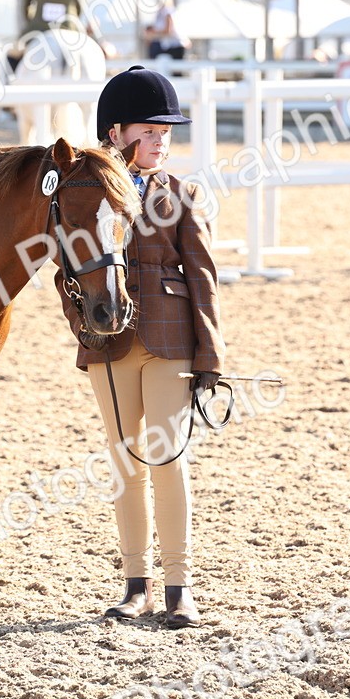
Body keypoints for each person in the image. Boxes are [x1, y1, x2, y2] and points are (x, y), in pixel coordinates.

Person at [55, 65, 225, 628]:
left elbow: (203, 277)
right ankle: (136, 584)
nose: (159, 141)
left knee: (167, 458)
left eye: (165, 133)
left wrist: (211, 356)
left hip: (171, 339)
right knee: (124, 462)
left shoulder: (181, 193)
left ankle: (178, 586)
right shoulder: (86, 195)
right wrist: (82, 325)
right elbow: (68, 271)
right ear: (117, 134)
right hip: (108, 346)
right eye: (148, 131)